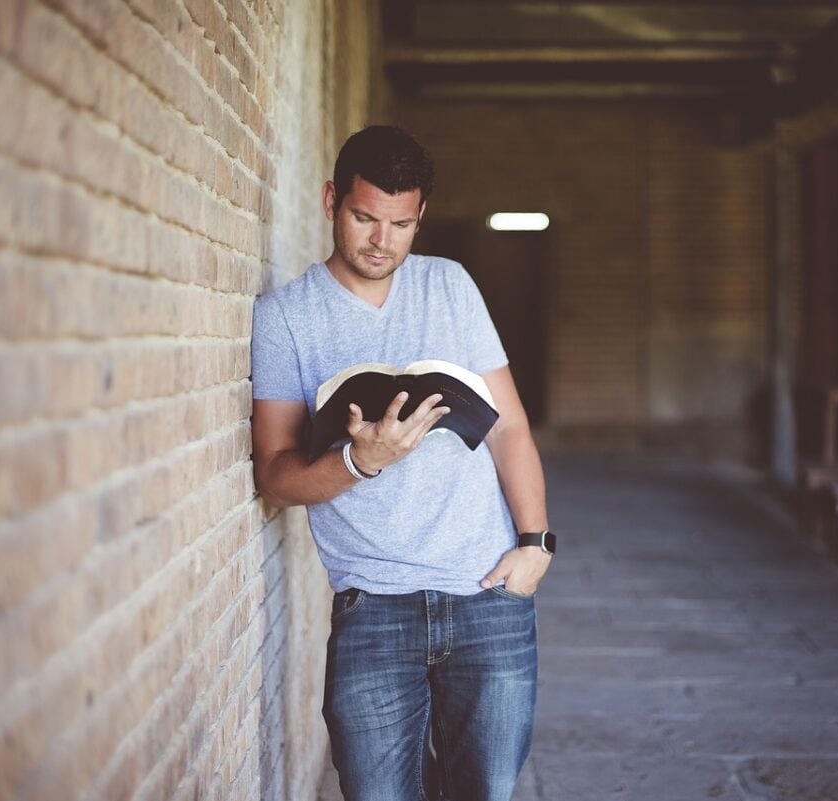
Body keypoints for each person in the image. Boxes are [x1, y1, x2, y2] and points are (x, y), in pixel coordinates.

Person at [250, 125, 553, 801]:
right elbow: (274, 473)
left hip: (487, 594)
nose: (381, 241)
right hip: (373, 606)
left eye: (401, 224)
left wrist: (535, 542)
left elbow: (509, 428)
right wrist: (361, 461)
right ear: (332, 199)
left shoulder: (449, 285)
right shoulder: (286, 318)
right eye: (364, 218)